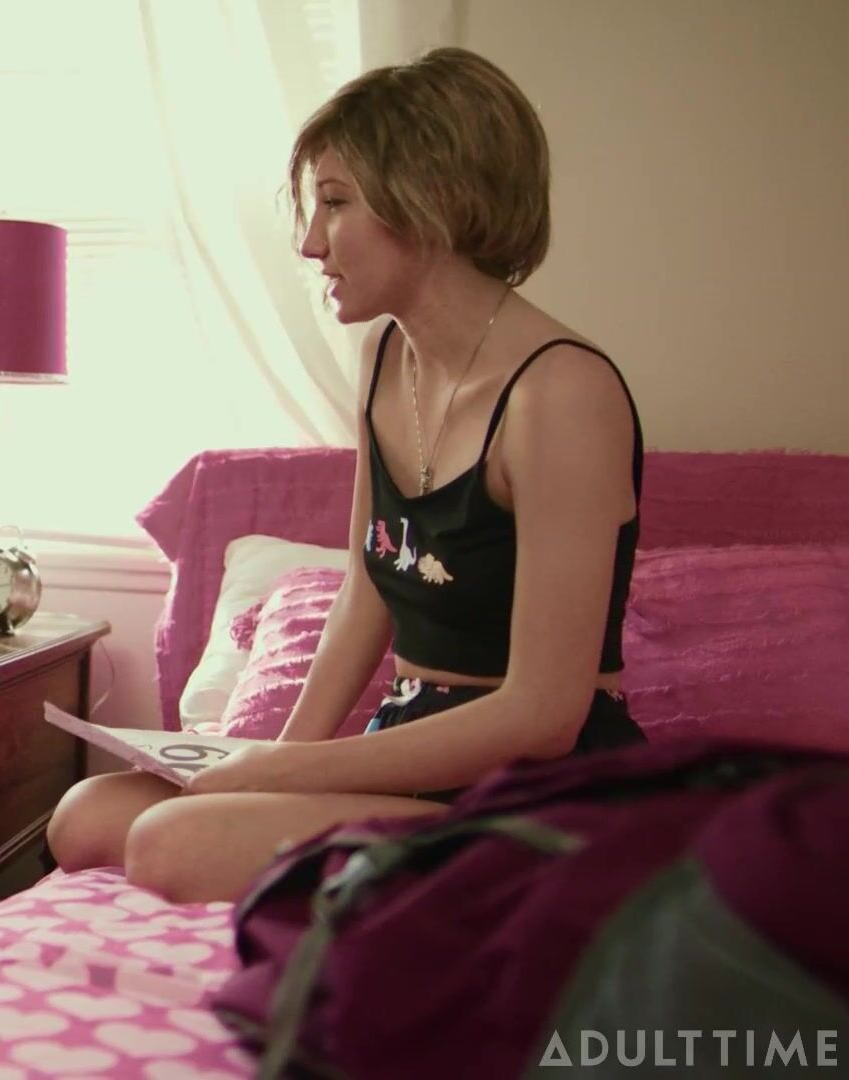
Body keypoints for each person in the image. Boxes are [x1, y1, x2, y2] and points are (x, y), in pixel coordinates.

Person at [47, 47, 647, 904]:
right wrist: (275, 759)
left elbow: (544, 715)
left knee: (171, 844)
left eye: (335, 203)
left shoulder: (562, 394)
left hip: (533, 787)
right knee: (87, 814)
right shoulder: (385, 357)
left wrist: (283, 774)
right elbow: (369, 587)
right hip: (409, 750)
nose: (310, 242)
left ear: (431, 201)